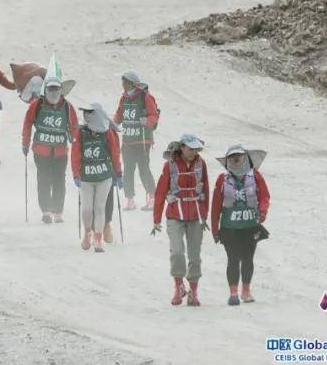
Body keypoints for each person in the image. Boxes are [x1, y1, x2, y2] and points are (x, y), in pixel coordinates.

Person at [152, 134, 210, 306]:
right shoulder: (170, 165)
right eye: (190, 149)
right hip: (175, 214)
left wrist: (205, 215)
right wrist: (156, 219)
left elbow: (206, 189)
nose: (194, 152)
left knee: (194, 256)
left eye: (196, 149)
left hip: (196, 216)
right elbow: (160, 192)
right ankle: (179, 287)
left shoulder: (201, 164)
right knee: (177, 252)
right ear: (182, 147)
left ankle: (193, 292)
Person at [211, 145, 270, 306]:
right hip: (229, 227)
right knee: (233, 258)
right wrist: (215, 230)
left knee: (248, 258)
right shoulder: (222, 179)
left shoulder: (255, 176)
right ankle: (233, 293)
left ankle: (246, 290)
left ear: (245, 157)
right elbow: (215, 206)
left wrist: (263, 212)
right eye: (232, 156)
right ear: (227, 160)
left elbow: (264, 196)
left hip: (250, 226)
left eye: (239, 155)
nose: (236, 159)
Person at [22, 74, 78, 224]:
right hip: (41, 151)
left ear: (61, 90)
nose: (53, 92)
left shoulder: (67, 107)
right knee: (43, 179)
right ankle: (46, 211)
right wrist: (25, 143)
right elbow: (27, 124)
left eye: (56, 89)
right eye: (50, 89)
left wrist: (75, 140)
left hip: (60, 152)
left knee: (59, 180)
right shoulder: (36, 105)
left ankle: (58, 211)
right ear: (45, 90)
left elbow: (74, 126)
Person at [72, 103, 122, 252]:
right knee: (87, 209)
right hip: (86, 177)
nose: (86, 115)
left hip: (104, 175)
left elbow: (115, 153)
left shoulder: (108, 132)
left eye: (89, 112)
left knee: (99, 207)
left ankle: (98, 239)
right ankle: (87, 232)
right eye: (85, 112)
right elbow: (75, 153)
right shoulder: (81, 132)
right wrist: (76, 173)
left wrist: (118, 173)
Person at [112, 69, 160, 211]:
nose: (123, 85)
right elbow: (119, 115)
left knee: (144, 169)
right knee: (128, 171)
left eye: (125, 82)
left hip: (142, 140)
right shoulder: (124, 98)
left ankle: (152, 198)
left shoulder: (146, 97)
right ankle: (130, 199)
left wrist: (147, 121)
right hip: (128, 141)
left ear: (132, 83)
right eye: (123, 82)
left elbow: (154, 115)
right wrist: (112, 124)